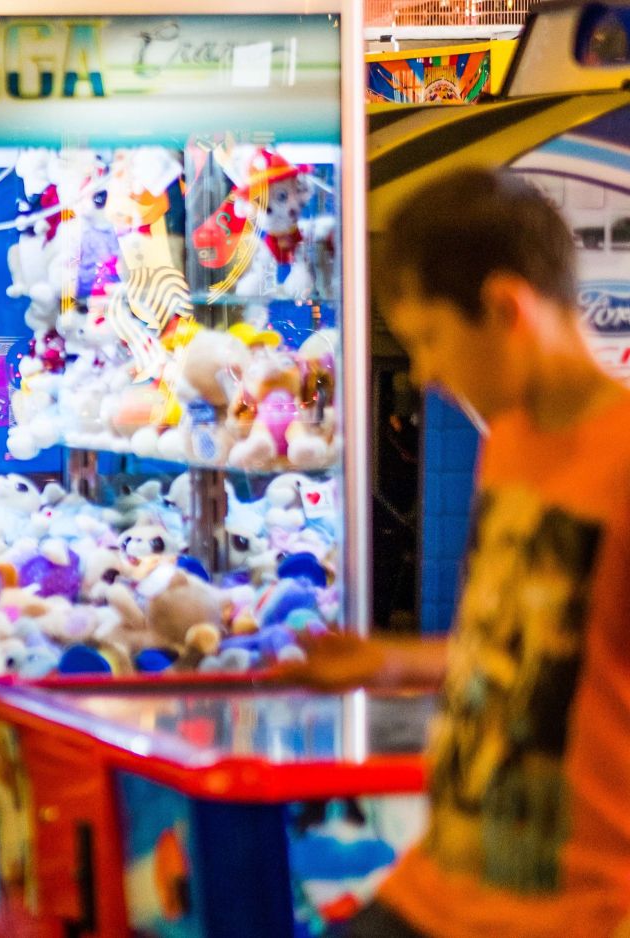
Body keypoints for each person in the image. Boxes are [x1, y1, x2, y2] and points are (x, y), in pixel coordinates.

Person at [288, 167, 630, 938]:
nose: (425, 374)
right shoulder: (508, 440)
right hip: (436, 890)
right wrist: (391, 663)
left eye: (431, 339)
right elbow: (545, 656)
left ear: (507, 308)